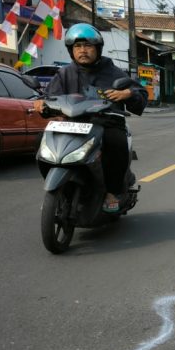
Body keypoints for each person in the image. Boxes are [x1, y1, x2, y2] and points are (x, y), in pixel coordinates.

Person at [37, 23, 146, 212]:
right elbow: (49, 97)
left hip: (106, 123)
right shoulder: (65, 73)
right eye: (78, 47)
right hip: (74, 124)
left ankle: (112, 191)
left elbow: (140, 92)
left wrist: (128, 93)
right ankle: (59, 187)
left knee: (116, 143)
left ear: (98, 49)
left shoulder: (112, 71)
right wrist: (41, 103)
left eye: (88, 46)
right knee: (42, 140)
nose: (83, 51)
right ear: (71, 51)